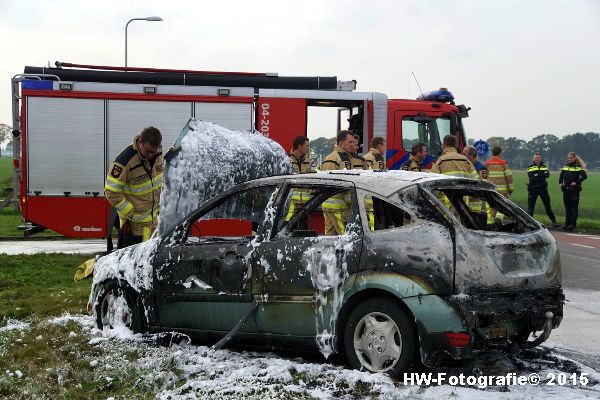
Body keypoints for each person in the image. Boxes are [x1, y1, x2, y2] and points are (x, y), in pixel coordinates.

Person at [104, 127, 163, 248]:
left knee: (150, 261)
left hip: (153, 224)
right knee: (132, 264)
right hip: (133, 228)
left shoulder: (158, 154)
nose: (150, 155)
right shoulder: (125, 161)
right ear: (140, 142)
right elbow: (111, 191)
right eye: (147, 151)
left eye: (154, 152)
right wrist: (130, 213)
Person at [320, 131, 365, 235]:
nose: (353, 145)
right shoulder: (335, 158)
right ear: (341, 143)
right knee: (346, 237)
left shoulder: (344, 157)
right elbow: (329, 182)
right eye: (350, 142)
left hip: (335, 205)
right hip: (337, 205)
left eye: (354, 142)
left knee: (331, 237)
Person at [527, 152, 559, 227]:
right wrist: (542, 175)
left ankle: (553, 221)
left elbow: (547, 175)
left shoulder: (544, 166)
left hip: (543, 188)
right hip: (533, 188)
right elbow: (531, 176)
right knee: (531, 206)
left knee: (547, 205)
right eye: (535, 157)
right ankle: (528, 222)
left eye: (538, 157)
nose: (537, 159)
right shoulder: (530, 166)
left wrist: (537, 174)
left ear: (540, 158)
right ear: (533, 158)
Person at [559, 152, 588, 231]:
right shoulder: (565, 166)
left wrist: (576, 182)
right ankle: (566, 224)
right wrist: (560, 183)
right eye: (568, 158)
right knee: (567, 208)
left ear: (574, 158)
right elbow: (561, 176)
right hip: (566, 190)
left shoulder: (578, 167)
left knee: (573, 208)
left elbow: (585, 176)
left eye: (570, 158)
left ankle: (572, 224)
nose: (569, 159)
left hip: (574, 190)